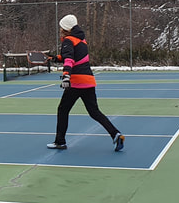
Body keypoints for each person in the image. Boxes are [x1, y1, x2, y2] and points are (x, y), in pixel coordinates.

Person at [46, 15, 125, 152]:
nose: (60, 30)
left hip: (76, 82)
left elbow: (69, 60)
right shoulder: (82, 40)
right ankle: (115, 134)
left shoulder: (68, 40)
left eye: (61, 27)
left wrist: (66, 76)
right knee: (94, 112)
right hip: (89, 81)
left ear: (65, 29)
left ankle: (60, 141)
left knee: (63, 110)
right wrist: (55, 58)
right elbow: (74, 57)